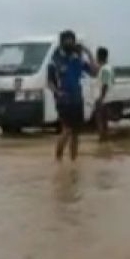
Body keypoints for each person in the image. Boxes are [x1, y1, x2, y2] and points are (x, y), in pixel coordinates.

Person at [48, 29, 96, 161]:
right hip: (64, 100)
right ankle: (58, 160)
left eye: (72, 41)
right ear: (62, 42)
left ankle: (73, 161)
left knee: (76, 133)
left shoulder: (77, 59)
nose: (70, 43)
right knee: (67, 130)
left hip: (77, 99)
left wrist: (88, 53)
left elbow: (94, 72)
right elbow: (50, 82)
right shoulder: (55, 61)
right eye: (67, 41)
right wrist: (58, 92)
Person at [95, 46, 114, 140]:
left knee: (101, 120)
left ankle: (102, 138)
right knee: (104, 121)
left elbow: (105, 84)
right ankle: (104, 138)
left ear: (99, 56)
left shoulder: (105, 69)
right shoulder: (108, 67)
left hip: (104, 98)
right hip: (108, 98)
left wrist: (101, 98)